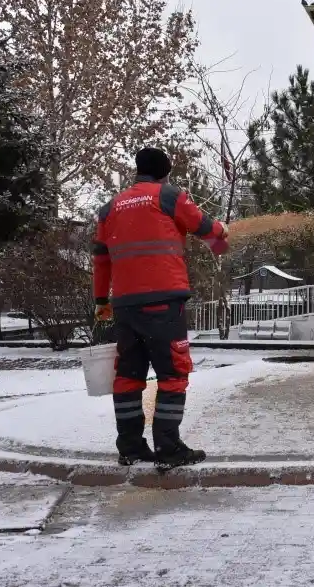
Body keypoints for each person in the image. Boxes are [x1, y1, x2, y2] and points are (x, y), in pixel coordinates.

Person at [92, 147, 228, 470]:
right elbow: (207, 229)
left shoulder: (110, 208)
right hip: (163, 304)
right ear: (165, 172)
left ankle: (130, 447)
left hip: (124, 307)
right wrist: (223, 233)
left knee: (127, 376)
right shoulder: (170, 197)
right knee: (173, 374)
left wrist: (101, 301)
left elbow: (100, 258)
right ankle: (168, 448)